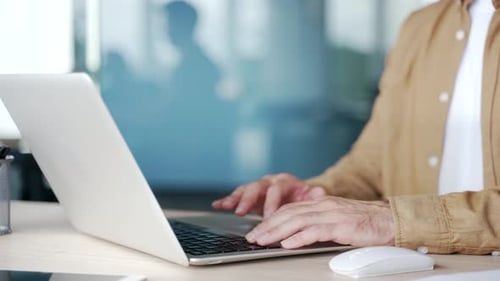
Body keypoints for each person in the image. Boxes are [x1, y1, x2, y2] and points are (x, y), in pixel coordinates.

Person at [213, 0, 500, 255]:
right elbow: (371, 163)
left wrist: (394, 220)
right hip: (410, 265)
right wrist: (314, 196)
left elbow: (393, 219)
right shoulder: (420, 26)